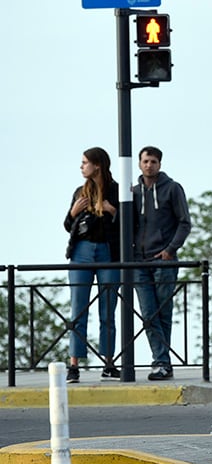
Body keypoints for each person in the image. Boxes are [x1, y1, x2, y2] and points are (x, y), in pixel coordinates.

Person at [132, 146, 192, 381]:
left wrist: (170, 249)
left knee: (163, 311)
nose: (149, 165)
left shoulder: (172, 189)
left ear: (160, 164)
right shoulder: (133, 192)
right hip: (138, 262)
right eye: (146, 161)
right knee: (148, 313)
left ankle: (162, 363)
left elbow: (184, 222)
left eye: (154, 161)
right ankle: (161, 360)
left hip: (164, 260)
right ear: (139, 163)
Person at [63, 147, 121, 383]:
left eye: (85, 162)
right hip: (81, 252)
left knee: (108, 309)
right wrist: (72, 212)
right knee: (78, 310)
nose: (81, 166)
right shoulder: (80, 192)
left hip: (108, 251)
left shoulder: (116, 189)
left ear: (97, 165)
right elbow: (69, 226)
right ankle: (74, 364)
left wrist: (112, 210)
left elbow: (129, 224)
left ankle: (108, 363)